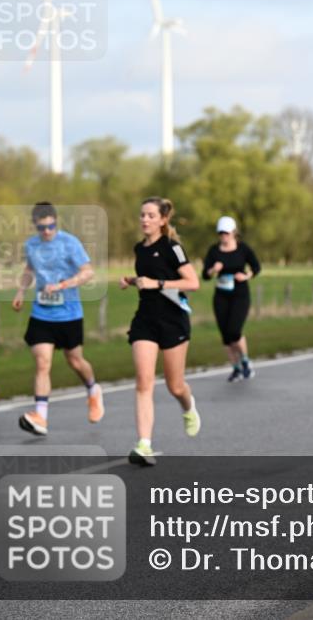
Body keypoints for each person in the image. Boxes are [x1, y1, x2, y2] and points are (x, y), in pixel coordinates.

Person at [120, 197, 202, 466]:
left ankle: (188, 408)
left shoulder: (172, 247)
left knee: (174, 385)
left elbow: (192, 282)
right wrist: (132, 281)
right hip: (145, 320)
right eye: (142, 215)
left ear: (163, 220)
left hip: (173, 320)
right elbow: (147, 281)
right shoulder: (139, 249)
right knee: (144, 382)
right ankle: (144, 444)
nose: (145, 219)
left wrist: (157, 282)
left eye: (151, 215)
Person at [11, 202, 103, 435]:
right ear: (35, 226)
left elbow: (88, 271)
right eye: (42, 228)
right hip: (42, 313)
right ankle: (41, 417)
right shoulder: (31, 245)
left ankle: (93, 390)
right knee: (43, 362)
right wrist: (21, 291)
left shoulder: (69, 243)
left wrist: (63, 285)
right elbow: (29, 270)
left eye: (51, 226)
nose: (47, 231)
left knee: (75, 361)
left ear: (56, 222)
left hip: (69, 313)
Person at [202, 216, 262, 381]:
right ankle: (235, 368)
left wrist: (246, 276)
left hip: (240, 294)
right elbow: (205, 275)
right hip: (221, 295)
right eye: (221, 233)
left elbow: (256, 267)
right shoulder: (214, 251)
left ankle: (245, 361)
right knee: (225, 335)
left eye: (227, 233)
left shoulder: (243, 249)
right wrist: (213, 269)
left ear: (234, 233)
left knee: (234, 331)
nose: (224, 236)